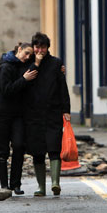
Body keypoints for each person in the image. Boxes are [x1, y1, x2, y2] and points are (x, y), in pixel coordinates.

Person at [0, 42, 39, 201]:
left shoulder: (28, 66)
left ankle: (15, 184)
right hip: (2, 113)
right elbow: (7, 90)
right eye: (26, 53)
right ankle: (5, 186)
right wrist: (24, 79)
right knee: (2, 151)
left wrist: (60, 69)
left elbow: (42, 74)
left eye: (30, 55)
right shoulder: (5, 67)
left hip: (18, 114)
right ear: (19, 49)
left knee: (19, 146)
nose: (27, 57)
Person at [23, 32, 71, 196]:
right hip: (33, 115)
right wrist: (35, 63)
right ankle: (41, 187)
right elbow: (23, 84)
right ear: (33, 47)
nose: (40, 50)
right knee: (37, 152)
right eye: (37, 47)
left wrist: (66, 110)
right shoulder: (28, 64)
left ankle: (55, 183)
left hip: (53, 112)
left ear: (47, 47)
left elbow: (62, 88)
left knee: (54, 148)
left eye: (43, 47)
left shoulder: (56, 63)